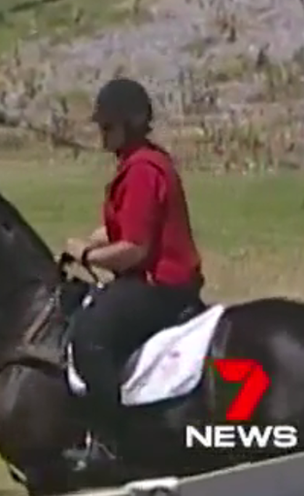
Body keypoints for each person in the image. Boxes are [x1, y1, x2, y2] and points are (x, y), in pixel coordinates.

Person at [63, 77, 204, 472]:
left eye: (108, 127)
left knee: (89, 337)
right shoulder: (142, 162)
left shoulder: (142, 170)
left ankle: (111, 444)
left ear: (131, 124)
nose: (101, 134)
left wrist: (89, 254)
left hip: (161, 285)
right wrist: (86, 241)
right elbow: (124, 226)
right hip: (155, 278)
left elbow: (133, 251)